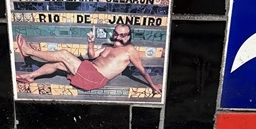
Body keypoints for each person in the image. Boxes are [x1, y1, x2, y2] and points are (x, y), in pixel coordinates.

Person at [15, 24, 162, 94]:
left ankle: (28, 51)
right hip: (89, 70)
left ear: (129, 36)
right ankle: (31, 76)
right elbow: (92, 56)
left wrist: (153, 85)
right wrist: (91, 42)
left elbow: (142, 70)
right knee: (58, 63)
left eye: (122, 35)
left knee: (64, 54)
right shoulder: (107, 47)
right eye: (116, 34)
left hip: (95, 77)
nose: (118, 37)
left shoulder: (129, 50)